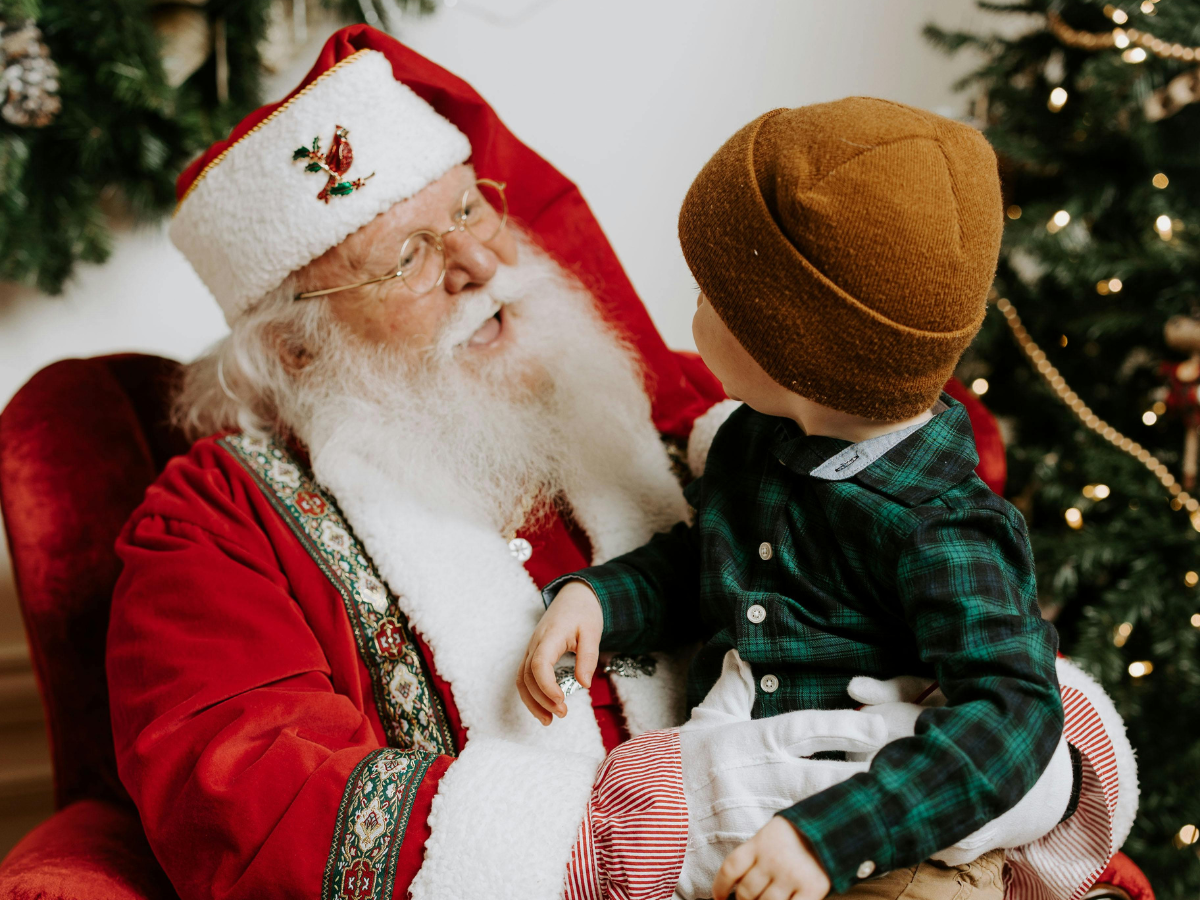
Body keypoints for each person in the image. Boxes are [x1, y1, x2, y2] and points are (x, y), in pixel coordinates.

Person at [105, 28, 1132, 900]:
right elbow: (243, 798)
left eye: (468, 208)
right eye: (406, 256)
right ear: (295, 346)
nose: (481, 264)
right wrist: (628, 833)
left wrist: (964, 753)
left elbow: (917, 582)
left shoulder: (664, 396)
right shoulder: (217, 523)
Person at [519, 101, 1134, 900]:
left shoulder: (944, 526)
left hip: (902, 846)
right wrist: (599, 600)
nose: (691, 310)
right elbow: (706, 562)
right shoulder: (754, 440)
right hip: (748, 818)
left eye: (714, 298)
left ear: (794, 350)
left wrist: (831, 837)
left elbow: (1012, 724)